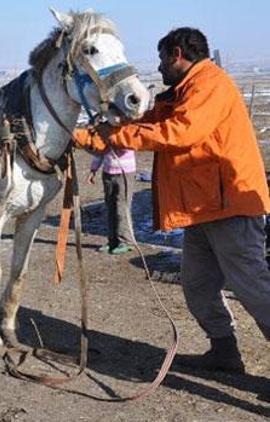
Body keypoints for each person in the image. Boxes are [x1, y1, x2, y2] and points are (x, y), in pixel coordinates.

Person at [74, 27, 270, 373]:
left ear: (177, 53)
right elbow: (151, 121)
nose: (160, 66)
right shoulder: (181, 91)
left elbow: (180, 132)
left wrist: (118, 133)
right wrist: (82, 134)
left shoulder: (210, 84)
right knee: (196, 285)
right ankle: (225, 351)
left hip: (230, 208)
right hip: (201, 208)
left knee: (253, 287)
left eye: (162, 59)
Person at [87, 148, 137, 254]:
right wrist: (93, 169)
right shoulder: (105, 132)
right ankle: (112, 241)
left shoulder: (126, 131)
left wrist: (113, 142)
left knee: (122, 208)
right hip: (108, 172)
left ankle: (127, 241)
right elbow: (99, 150)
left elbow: (126, 146)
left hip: (125, 172)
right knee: (110, 207)